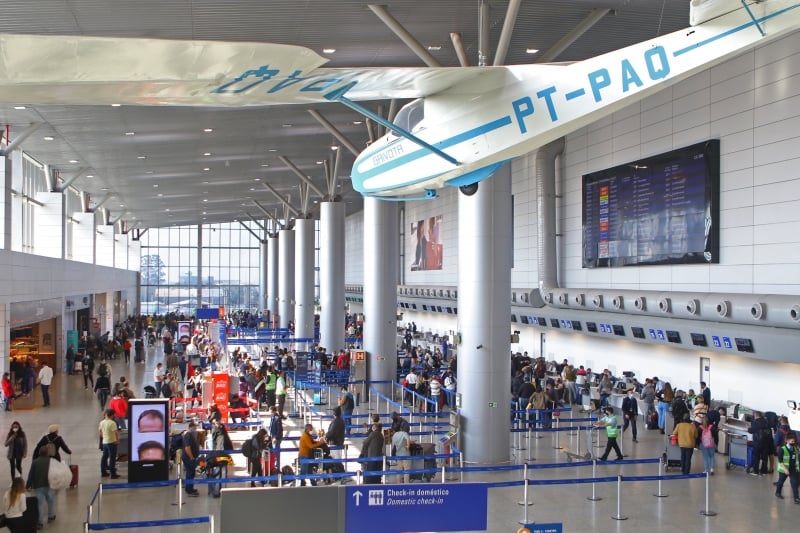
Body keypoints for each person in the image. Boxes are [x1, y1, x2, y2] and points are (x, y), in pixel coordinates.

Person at [26, 444, 56, 529]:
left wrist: (28, 485)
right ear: (47, 453)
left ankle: (40, 522)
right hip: (49, 485)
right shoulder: (51, 461)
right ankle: (51, 516)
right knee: (50, 501)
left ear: (39, 453)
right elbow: (55, 473)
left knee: (39, 505)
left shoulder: (35, 462)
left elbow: (31, 474)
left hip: (38, 486)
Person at [774, 432, 799, 503]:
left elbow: (797, 459)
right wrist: (785, 469)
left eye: (794, 441)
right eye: (792, 441)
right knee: (781, 482)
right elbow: (780, 461)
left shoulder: (795, 449)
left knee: (795, 483)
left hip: (793, 469)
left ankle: (796, 498)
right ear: (787, 441)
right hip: (783, 469)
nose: (793, 443)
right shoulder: (782, 449)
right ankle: (778, 492)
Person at [99, 409, 121, 479]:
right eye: (114, 414)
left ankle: (103, 472)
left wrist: (104, 438)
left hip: (105, 442)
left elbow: (100, 432)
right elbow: (116, 432)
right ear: (111, 415)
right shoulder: (112, 423)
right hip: (112, 442)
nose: (115, 416)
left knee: (104, 457)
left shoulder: (102, 422)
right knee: (112, 458)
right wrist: (117, 440)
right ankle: (113, 474)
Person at [748, 412, 772, 476]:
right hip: (766, 442)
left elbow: (751, 431)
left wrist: (748, 428)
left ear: (755, 415)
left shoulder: (755, 422)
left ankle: (755, 471)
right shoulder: (766, 421)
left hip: (757, 442)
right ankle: (764, 471)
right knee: (765, 457)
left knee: (756, 457)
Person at [182, 422, 200, 496]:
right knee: (190, 473)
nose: (195, 429)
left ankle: (189, 488)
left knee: (190, 473)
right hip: (188, 458)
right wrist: (191, 457)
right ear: (191, 427)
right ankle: (189, 490)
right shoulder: (188, 435)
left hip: (189, 457)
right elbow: (187, 448)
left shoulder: (190, 434)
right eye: (195, 427)